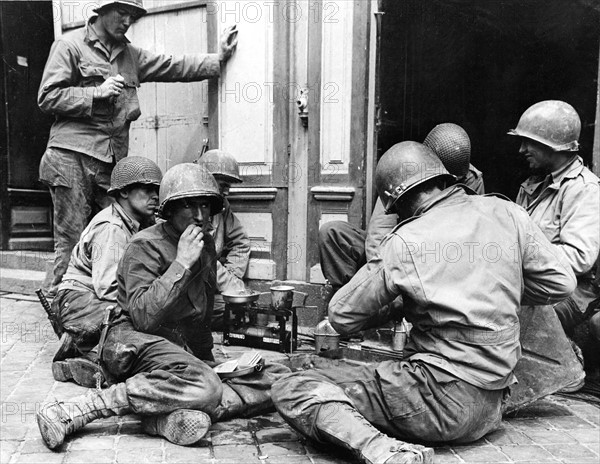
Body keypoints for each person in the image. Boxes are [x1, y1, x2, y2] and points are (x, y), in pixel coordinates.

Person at [271, 142, 576, 464]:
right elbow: (561, 283)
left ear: (397, 200)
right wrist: (501, 288)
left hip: (441, 404)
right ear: (443, 179)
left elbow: (343, 315)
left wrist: (404, 301)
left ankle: (385, 453)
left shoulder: (406, 241)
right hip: (493, 402)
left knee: (294, 385)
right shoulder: (508, 213)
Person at [36, 163, 289, 451]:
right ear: (169, 210)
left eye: (205, 205)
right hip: (132, 337)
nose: (199, 215)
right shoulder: (144, 245)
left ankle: (160, 417)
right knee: (206, 386)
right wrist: (181, 262)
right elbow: (143, 317)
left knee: (274, 378)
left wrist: (208, 359)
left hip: (172, 345)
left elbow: (200, 316)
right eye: (188, 206)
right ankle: (82, 408)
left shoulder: (204, 244)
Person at [38, 0, 239, 294]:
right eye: (122, 12)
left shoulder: (130, 55)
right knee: (71, 244)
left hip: (111, 166)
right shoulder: (69, 46)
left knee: (127, 233)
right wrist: (96, 93)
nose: (127, 20)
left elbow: (172, 65)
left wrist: (217, 59)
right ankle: (63, 311)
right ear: (101, 10)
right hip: (71, 158)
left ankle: (112, 311)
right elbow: (47, 97)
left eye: (132, 15)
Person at [319, 122, 483, 294]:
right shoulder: (403, 168)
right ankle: (349, 301)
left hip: (437, 256)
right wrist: (379, 283)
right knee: (332, 232)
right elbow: (379, 233)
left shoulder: (470, 179)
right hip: (396, 250)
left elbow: (471, 233)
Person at [510, 100, 600, 389]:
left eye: (529, 143)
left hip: (572, 291)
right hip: (532, 281)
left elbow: (579, 257)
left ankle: (564, 366)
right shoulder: (531, 185)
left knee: (513, 316)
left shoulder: (584, 190)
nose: (521, 150)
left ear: (555, 146)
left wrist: (521, 256)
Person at [50, 156, 162, 386]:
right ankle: (89, 356)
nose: (155, 196)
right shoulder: (112, 227)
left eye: (156, 189)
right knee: (135, 322)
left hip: (87, 301)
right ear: (123, 193)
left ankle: (84, 345)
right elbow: (109, 287)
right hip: (79, 301)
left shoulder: (135, 223)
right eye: (146, 189)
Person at [197, 149, 251, 330]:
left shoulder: (222, 206)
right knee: (232, 310)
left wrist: (233, 275)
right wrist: (232, 287)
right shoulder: (186, 208)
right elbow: (203, 258)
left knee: (239, 310)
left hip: (211, 284)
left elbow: (240, 243)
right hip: (189, 288)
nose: (227, 191)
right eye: (223, 185)